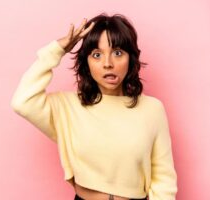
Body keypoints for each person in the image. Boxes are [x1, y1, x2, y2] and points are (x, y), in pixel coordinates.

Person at [11, 13, 178, 200]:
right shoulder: (68, 107)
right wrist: (57, 50)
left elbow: (164, 180)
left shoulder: (152, 109)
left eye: (117, 53)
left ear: (130, 58)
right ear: (86, 63)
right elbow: (22, 102)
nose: (108, 64)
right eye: (97, 55)